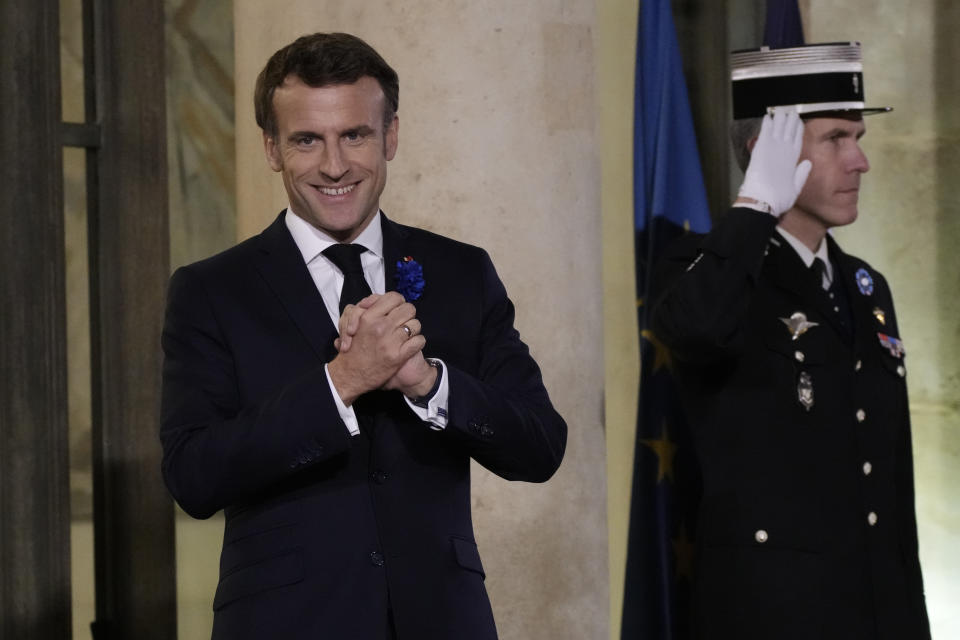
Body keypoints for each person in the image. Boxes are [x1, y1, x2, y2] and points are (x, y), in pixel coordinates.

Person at [159, 32, 566, 640]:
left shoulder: (461, 272)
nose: (334, 165)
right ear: (271, 148)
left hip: (443, 620)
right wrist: (342, 382)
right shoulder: (212, 290)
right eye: (306, 140)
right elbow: (193, 475)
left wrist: (428, 384)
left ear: (391, 136)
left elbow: (540, 446)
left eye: (355, 135)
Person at [651, 42, 930, 639]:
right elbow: (695, 327)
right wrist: (753, 208)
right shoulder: (705, 269)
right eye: (835, 139)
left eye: (859, 138)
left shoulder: (865, 286)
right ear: (765, 152)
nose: (860, 162)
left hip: (881, 611)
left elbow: (885, 487)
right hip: (775, 615)